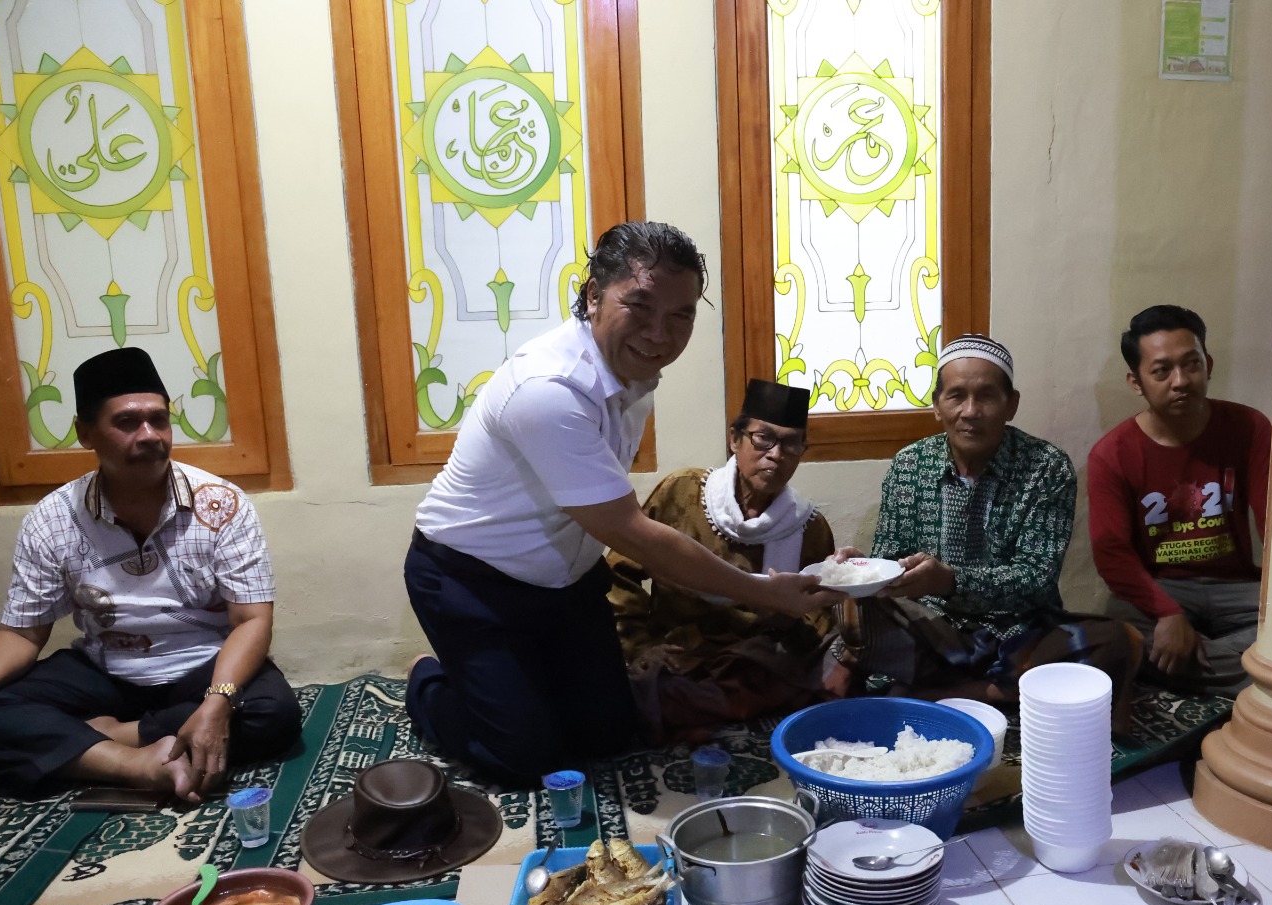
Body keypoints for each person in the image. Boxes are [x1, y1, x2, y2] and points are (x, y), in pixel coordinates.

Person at [405, 222, 841, 783]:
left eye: (681, 314)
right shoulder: (549, 390)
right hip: (472, 582)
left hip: (566, 580)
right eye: (639, 305)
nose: (660, 333)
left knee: (608, 733)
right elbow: (632, 534)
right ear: (592, 297)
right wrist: (761, 590)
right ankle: (429, 680)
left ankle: (519, 683)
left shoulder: (631, 373)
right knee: (524, 759)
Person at [0, 347, 300, 801]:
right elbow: (22, 634)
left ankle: (108, 740)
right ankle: (137, 763)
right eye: (127, 422)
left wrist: (217, 702)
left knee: (271, 713)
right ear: (86, 434)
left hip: (200, 666)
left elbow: (251, 621)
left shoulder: (221, 504)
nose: (149, 435)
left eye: (158, 420)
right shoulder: (52, 519)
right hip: (107, 669)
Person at [838, 335, 1142, 730]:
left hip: (1023, 631)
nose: (970, 411)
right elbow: (889, 562)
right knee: (849, 613)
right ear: (936, 405)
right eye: (956, 396)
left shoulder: (1046, 467)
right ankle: (1008, 690)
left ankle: (976, 693)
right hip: (936, 629)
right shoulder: (909, 465)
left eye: (986, 396)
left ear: (1011, 404)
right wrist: (857, 570)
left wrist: (951, 580)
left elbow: (1036, 577)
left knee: (1117, 640)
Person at [608, 379, 839, 744]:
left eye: (791, 443)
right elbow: (618, 574)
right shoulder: (682, 493)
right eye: (763, 438)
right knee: (640, 688)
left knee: (836, 664)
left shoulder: (808, 526)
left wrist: (830, 588)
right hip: (678, 653)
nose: (776, 455)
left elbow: (817, 618)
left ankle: (707, 712)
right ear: (735, 439)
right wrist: (639, 646)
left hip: (756, 661)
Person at [1088, 304, 1272, 697]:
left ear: (1208, 364)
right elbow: (1112, 554)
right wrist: (1167, 612)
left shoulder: (1249, 428)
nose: (1181, 381)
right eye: (1161, 371)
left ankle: (1196, 666)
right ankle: (1262, 669)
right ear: (1136, 382)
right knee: (1119, 635)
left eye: (1191, 365)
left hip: (1236, 586)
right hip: (1161, 588)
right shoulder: (1113, 453)